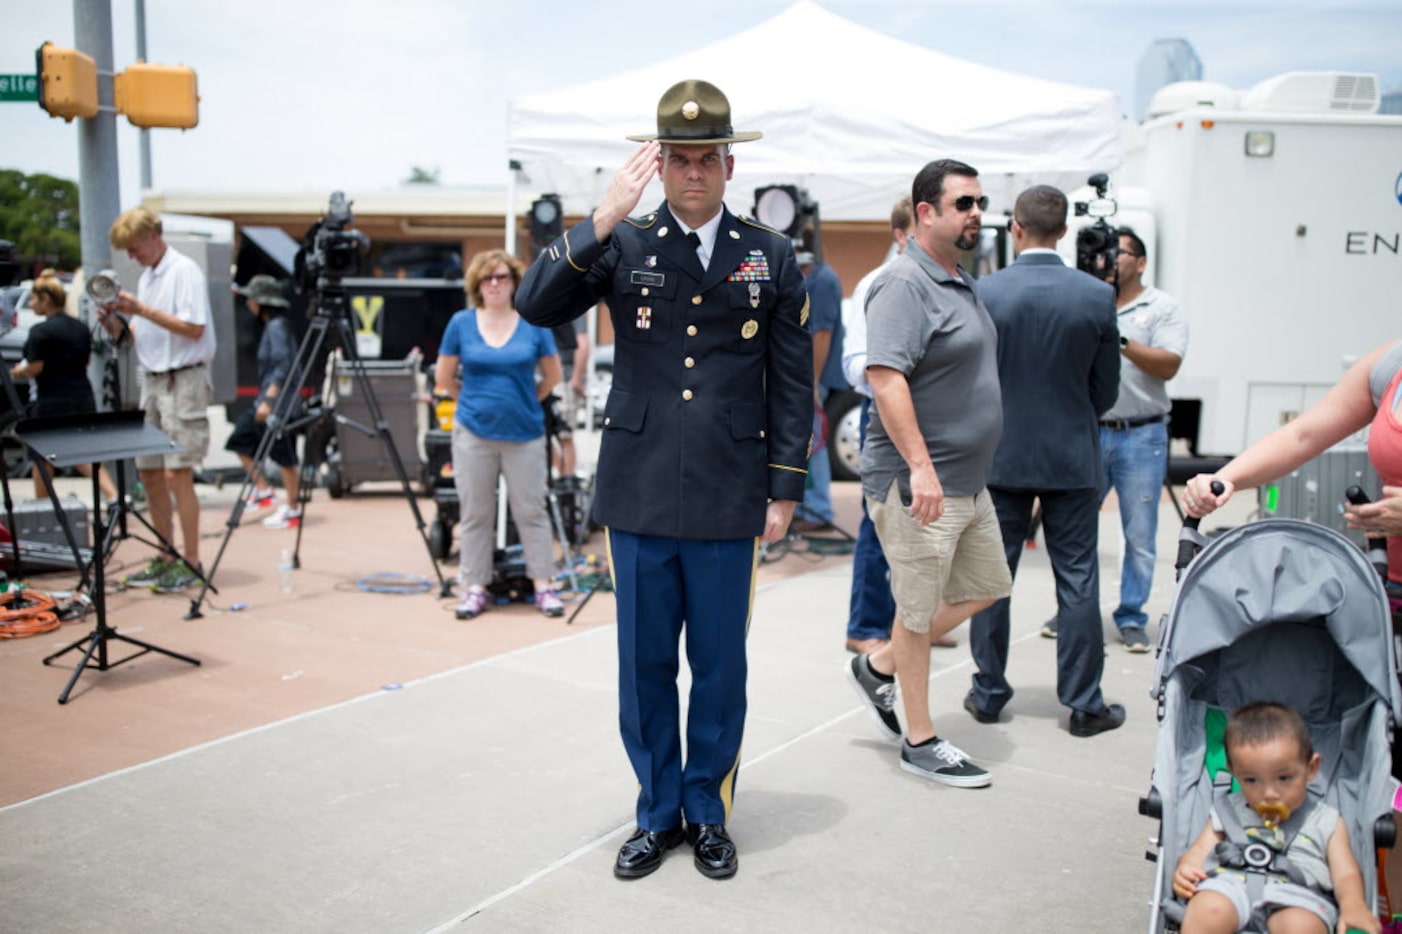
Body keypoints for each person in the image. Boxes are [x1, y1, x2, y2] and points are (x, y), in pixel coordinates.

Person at [516, 79, 812, 881]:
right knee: (644, 665)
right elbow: (534, 302)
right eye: (677, 160)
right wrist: (604, 213)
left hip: (728, 488)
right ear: (657, 164)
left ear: (727, 165)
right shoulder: (624, 242)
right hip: (641, 487)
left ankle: (708, 810)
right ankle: (656, 813)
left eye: (705, 159)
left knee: (721, 666)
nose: (692, 174)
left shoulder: (770, 254)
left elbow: (791, 380)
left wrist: (785, 487)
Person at [845, 158, 1012, 789]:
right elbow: (884, 378)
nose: (977, 213)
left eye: (979, 202)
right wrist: (921, 468)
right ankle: (920, 740)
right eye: (964, 203)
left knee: (989, 585)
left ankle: (880, 664)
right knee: (915, 613)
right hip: (921, 483)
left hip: (967, 479)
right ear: (926, 213)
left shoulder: (958, 279)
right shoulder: (903, 283)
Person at [964, 185, 1126, 737]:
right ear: (1064, 232)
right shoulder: (1096, 296)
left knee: (991, 575)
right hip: (1071, 454)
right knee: (1078, 580)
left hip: (1002, 453)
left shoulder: (985, 291)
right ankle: (1084, 703)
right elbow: (1105, 390)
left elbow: (973, 379)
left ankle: (987, 692)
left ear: (1016, 228)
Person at [1053, 227, 1186, 650]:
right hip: (1091, 432)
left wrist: (1118, 337)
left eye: (1122, 253)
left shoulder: (1162, 307)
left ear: (1141, 262)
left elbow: (1168, 365)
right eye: (1107, 253)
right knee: (1074, 528)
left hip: (1141, 435)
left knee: (1140, 533)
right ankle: (1074, 610)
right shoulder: (1086, 301)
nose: (1110, 260)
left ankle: (1131, 615)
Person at [839, 197, 956, 653]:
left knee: (928, 531)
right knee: (879, 527)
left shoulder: (945, 283)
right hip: (888, 422)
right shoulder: (875, 285)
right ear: (899, 235)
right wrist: (896, 380)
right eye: (917, 231)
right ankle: (865, 627)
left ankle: (917, 621)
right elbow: (853, 364)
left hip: (937, 425)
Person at [434, 249, 565, 621]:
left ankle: (544, 585)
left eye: (503, 277)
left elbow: (552, 376)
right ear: (477, 284)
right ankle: (474, 587)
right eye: (488, 278)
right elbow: (443, 379)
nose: (495, 284)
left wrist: (527, 400)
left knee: (532, 511)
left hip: (525, 433)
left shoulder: (534, 324)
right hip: (474, 433)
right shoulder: (461, 323)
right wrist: (472, 402)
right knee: (476, 513)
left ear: (514, 282)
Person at [1172, 702, 1377, 934]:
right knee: (1208, 910)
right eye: (1251, 780)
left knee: (1301, 926)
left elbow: (1345, 873)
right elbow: (1200, 850)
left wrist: (1353, 905)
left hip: (1299, 896)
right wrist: (1187, 868)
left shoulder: (1326, 820)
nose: (1269, 793)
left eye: (1284, 778)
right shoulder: (1228, 808)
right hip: (1230, 886)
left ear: (1311, 768)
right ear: (1234, 772)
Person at [102, 206, 217, 594]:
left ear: (154, 235)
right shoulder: (149, 276)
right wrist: (116, 319)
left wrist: (141, 308)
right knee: (150, 471)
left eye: (134, 248)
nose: (132, 257)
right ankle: (165, 555)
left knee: (177, 472)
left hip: (182, 378)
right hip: (152, 379)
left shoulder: (183, 271)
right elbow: (139, 332)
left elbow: (193, 327)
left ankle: (191, 559)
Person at [10, 270, 118, 503]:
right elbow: (88, 360)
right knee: (83, 451)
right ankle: (113, 495)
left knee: (42, 455)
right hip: (82, 394)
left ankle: (44, 506)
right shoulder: (79, 327)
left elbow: (35, 367)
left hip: (50, 399)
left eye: (33, 299)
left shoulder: (40, 331)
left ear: (46, 300)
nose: (30, 303)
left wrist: (18, 371)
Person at [223, 274, 303, 529]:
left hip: (280, 404)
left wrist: (268, 400)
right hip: (275, 401)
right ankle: (264, 490)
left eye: (252, 299)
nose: (248, 304)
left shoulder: (276, 327)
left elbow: (282, 366)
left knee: (286, 457)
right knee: (243, 439)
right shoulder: (274, 326)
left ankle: (292, 508)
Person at [792, 249, 843, 533]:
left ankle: (818, 509)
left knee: (815, 441)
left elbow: (821, 334)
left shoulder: (821, 280)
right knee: (805, 440)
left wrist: (812, 380)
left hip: (812, 375)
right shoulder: (810, 276)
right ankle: (807, 507)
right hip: (804, 374)